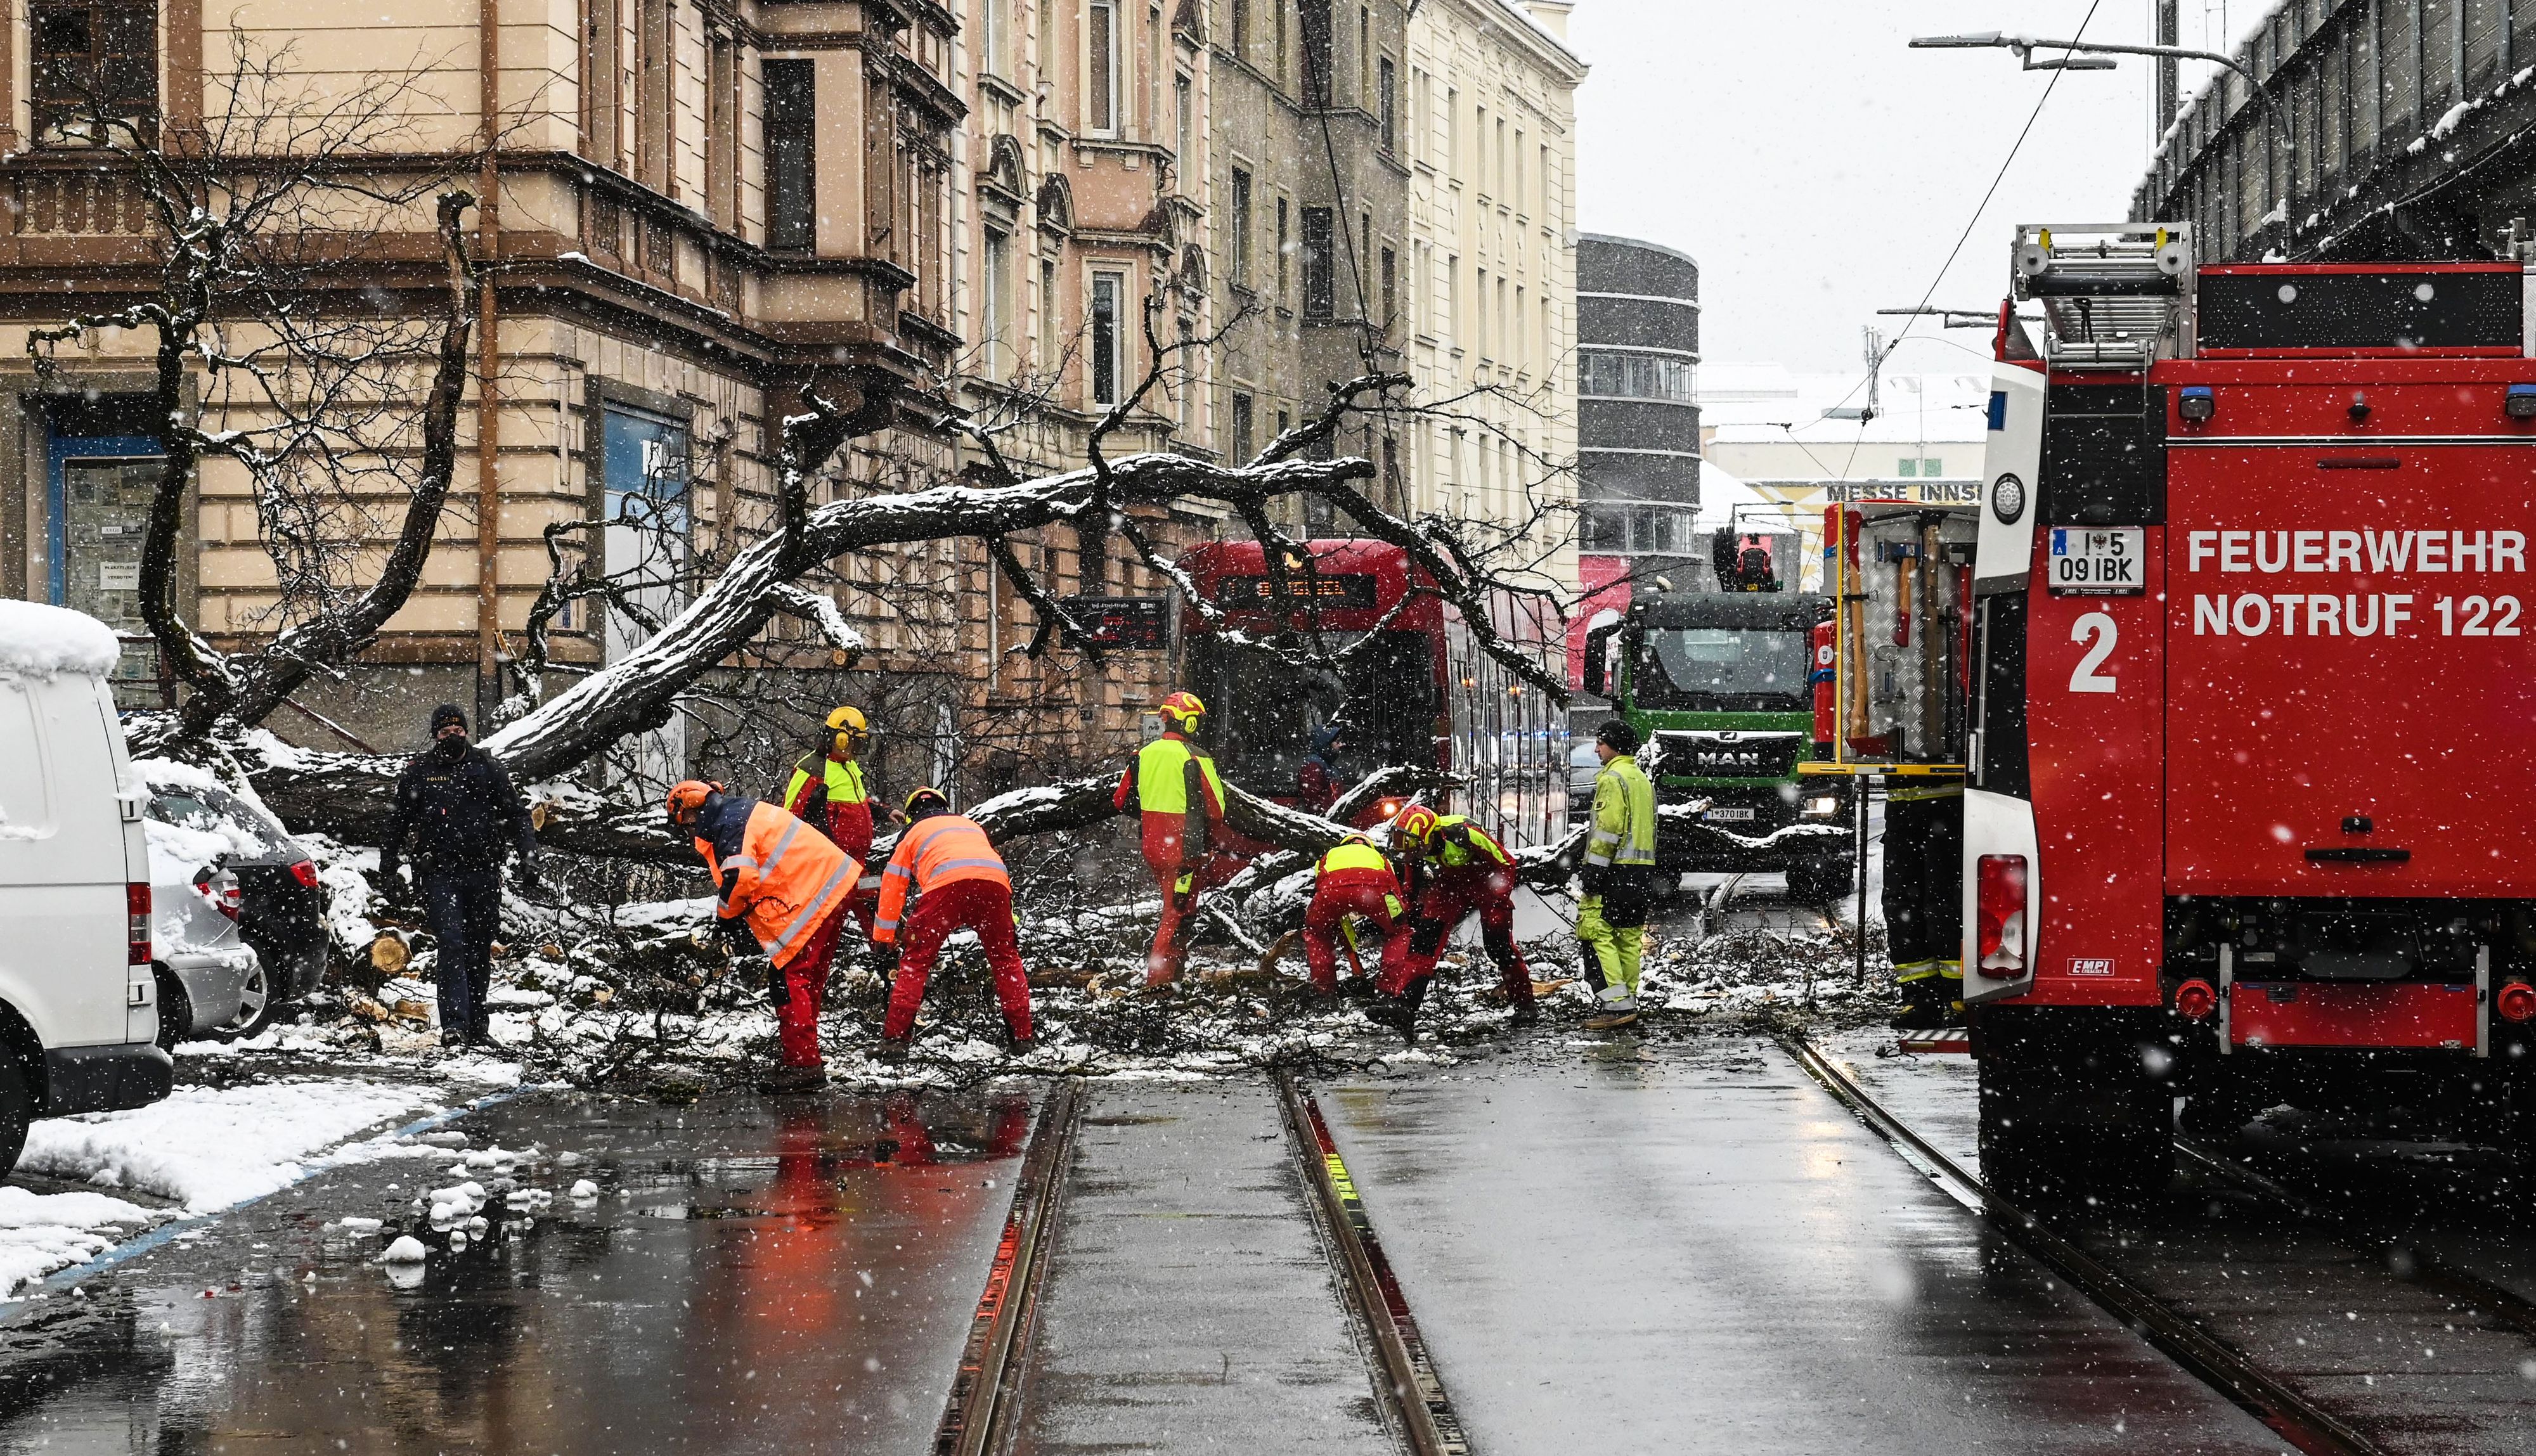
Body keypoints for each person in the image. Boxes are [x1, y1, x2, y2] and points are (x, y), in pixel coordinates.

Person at [667, 779, 860, 1092]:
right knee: (807, 979)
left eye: (685, 824)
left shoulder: (729, 824)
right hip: (832, 887)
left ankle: (803, 1065)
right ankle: (804, 1057)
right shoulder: (739, 812)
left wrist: (725, 917)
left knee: (789, 979)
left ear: (690, 809)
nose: (688, 832)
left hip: (810, 896)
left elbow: (740, 878)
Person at [380, 704, 539, 1049]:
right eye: (444, 732)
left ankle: (478, 1026)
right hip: (440, 873)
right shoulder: (420, 772)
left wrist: (529, 854)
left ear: (467, 732)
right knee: (451, 943)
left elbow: (517, 814)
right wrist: (388, 867)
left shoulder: (486, 768)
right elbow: (396, 824)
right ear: (435, 736)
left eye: (458, 731)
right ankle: (455, 1025)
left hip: (482, 872)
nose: (452, 737)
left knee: (479, 947)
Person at [871, 788, 1034, 1058]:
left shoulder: (912, 833)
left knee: (915, 962)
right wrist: (1008, 925)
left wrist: (883, 938)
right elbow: (994, 870)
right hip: (994, 886)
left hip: (945, 889)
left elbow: (893, 885)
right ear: (944, 807)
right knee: (1006, 960)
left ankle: (895, 1040)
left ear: (912, 815)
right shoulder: (970, 826)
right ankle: (1022, 1037)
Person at [1373, 804, 1536, 1037]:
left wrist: (1499, 898)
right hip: (1450, 882)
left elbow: (1506, 862)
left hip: (1486, 878)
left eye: (1416, 849)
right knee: (1424, 941)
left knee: (1497, 945)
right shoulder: (1417, 847)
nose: (1411, 854)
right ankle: (1405, 1007)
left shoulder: (1464, 834)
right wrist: (1408, 909)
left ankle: (1525, 1005)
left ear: (1429, 838)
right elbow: (1412, 882)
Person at [1113, 692, 1239, 985]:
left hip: (1154, 848)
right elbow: (1217, 810)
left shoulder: (1141, 755)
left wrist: (1152, 815)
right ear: (1190, 723)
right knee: (1175, 914)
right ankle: (1157, 984)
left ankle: (1174, 979)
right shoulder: (1196, 757)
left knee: (1181, 910)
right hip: (1185, 851)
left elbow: (1121, 801)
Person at [1577, 718, 1659, 1029]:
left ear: (1614, 745)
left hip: (1615, 871)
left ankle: (1614, 1006)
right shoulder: (1640, 779)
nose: (1596, 749)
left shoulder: (1612, 779)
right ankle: (1628, 1003)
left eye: (1601, 743)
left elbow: (1607, 831)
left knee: (1597, 933)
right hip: (1641, 873)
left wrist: (1594, 872)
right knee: (1629, 937)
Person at [782, 705, 879, 937]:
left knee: (876, 913)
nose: (857, 751)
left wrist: (882, 812)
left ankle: (887, 961)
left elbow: (858, 800)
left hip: (857, 862)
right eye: (855, 744)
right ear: (842, 740)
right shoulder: (812, 768)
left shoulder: (850, 767)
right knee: (824, 927)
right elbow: (789, 816)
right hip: (831, 865)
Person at [1884, 780, 1965, 1029]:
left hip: (1949, 808)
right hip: (1901, 811)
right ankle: (1921, 999)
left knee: (1944, 907)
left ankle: (1959, 997)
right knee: (1900, 908)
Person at [1301, 831, 1410, 996]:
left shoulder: (1329, 855)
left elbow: (1320, 883)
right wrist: (1401, 916)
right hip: (1376, 888)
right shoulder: (1379, 857)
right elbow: (1393, 887)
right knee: (1399, 932)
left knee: (1317, 934)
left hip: (1332, 891)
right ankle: (1389, 989)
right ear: (1368, 846)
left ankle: (1324, 990)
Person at [1296, 726, 1347, 813]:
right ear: (1326, 744)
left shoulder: (1327, 765)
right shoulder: (1313, 766)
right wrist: (1329, 816)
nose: (1342, 745)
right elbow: (1312, 800)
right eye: (1337, 742)